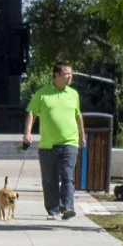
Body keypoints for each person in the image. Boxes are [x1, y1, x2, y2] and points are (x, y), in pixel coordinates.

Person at [23, 61, 88, 219]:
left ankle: (67, 207)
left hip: (69, 142)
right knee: (50, 178)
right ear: (57, 75)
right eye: (67, 73)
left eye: (71, 73)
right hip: (48, 144)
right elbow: (32, 113)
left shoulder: (73, 94)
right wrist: (27, 133)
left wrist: (82, 135)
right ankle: (53, 210)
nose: (70, 76)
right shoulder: (42, 93)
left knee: (67, 175)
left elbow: (77, 115)